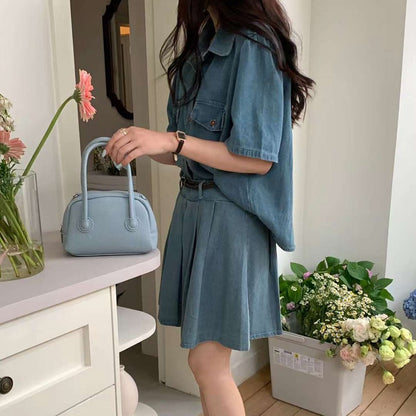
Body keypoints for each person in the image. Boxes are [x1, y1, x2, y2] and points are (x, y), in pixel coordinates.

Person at [105, 1, 315, 414]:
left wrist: (172, 140)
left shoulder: (253, 45)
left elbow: (256, 158)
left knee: (206, 363)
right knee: (204, 364)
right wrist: (142, 144)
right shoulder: (201, 45)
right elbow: (186, 150)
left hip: (230, 215)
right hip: (194, 208)